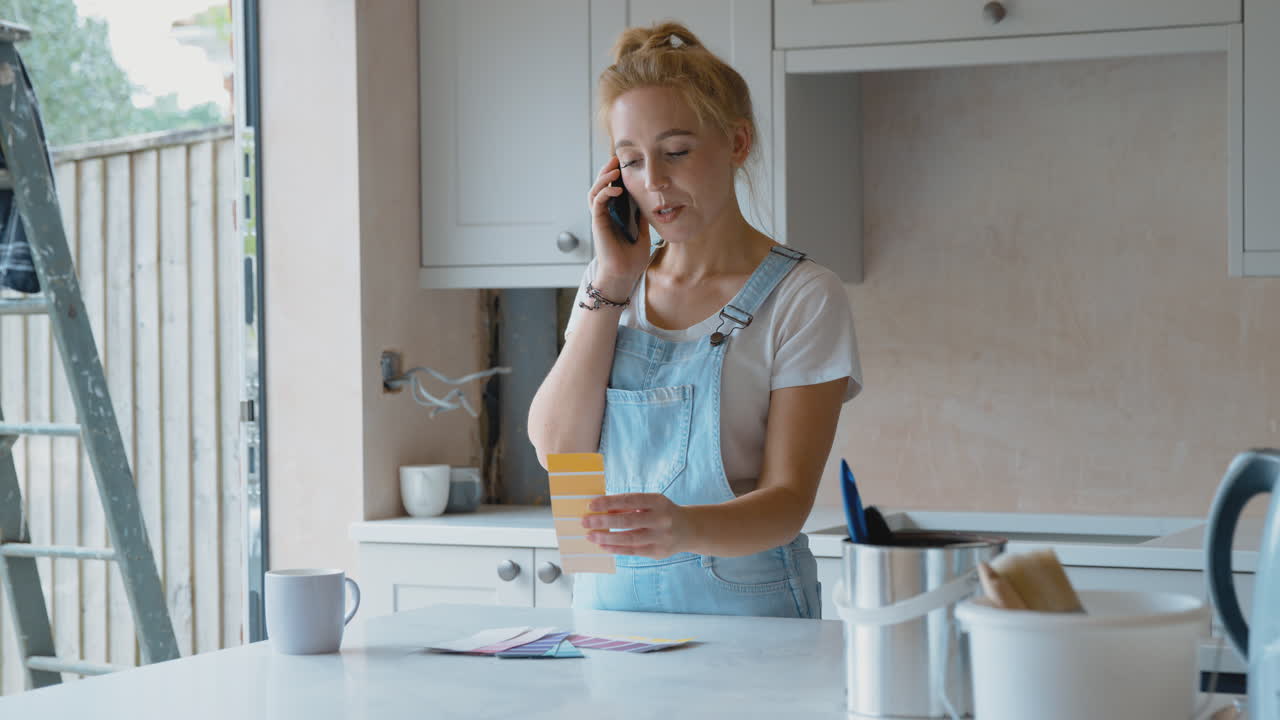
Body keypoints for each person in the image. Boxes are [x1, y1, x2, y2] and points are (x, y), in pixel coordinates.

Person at [527, 21, 861, 619]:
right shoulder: (612, 287)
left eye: (676, 152)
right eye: (631, 161)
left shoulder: (804, 297)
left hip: (752, 625)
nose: (653, 182)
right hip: (610, 618)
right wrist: (610, 281)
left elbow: (787, 503)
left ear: (737, 143)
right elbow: (559, 455)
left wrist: (681, 529)